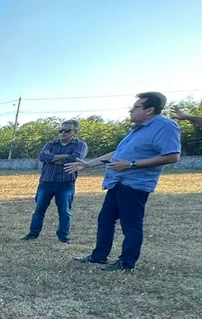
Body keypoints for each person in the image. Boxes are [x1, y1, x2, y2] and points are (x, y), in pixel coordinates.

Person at [67, 92, 181, 271]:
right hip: (118, 181)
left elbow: (172, 156)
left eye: (136, 107)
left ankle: (126, 263)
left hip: (135, 184)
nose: (131, 111)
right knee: (105, 219)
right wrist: (88, 164)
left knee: (131, 224)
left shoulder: (166, 126)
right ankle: (99, 256)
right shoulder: (137, 129)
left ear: (149, 110)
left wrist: (132, 164)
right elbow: (117, 153)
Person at [21, 121, 88, 244]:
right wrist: (65, 156)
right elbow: (42, 157)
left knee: (65, 211)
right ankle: (33, 234)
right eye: (61, 130)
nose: (63, 133)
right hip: (46, 182)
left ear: (75, 132)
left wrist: (52, 158)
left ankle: (63, 236)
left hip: (66, 183)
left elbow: (75, 159)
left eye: (67, 130)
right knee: (39, 210)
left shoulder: (80, 145)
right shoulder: (50, 144)